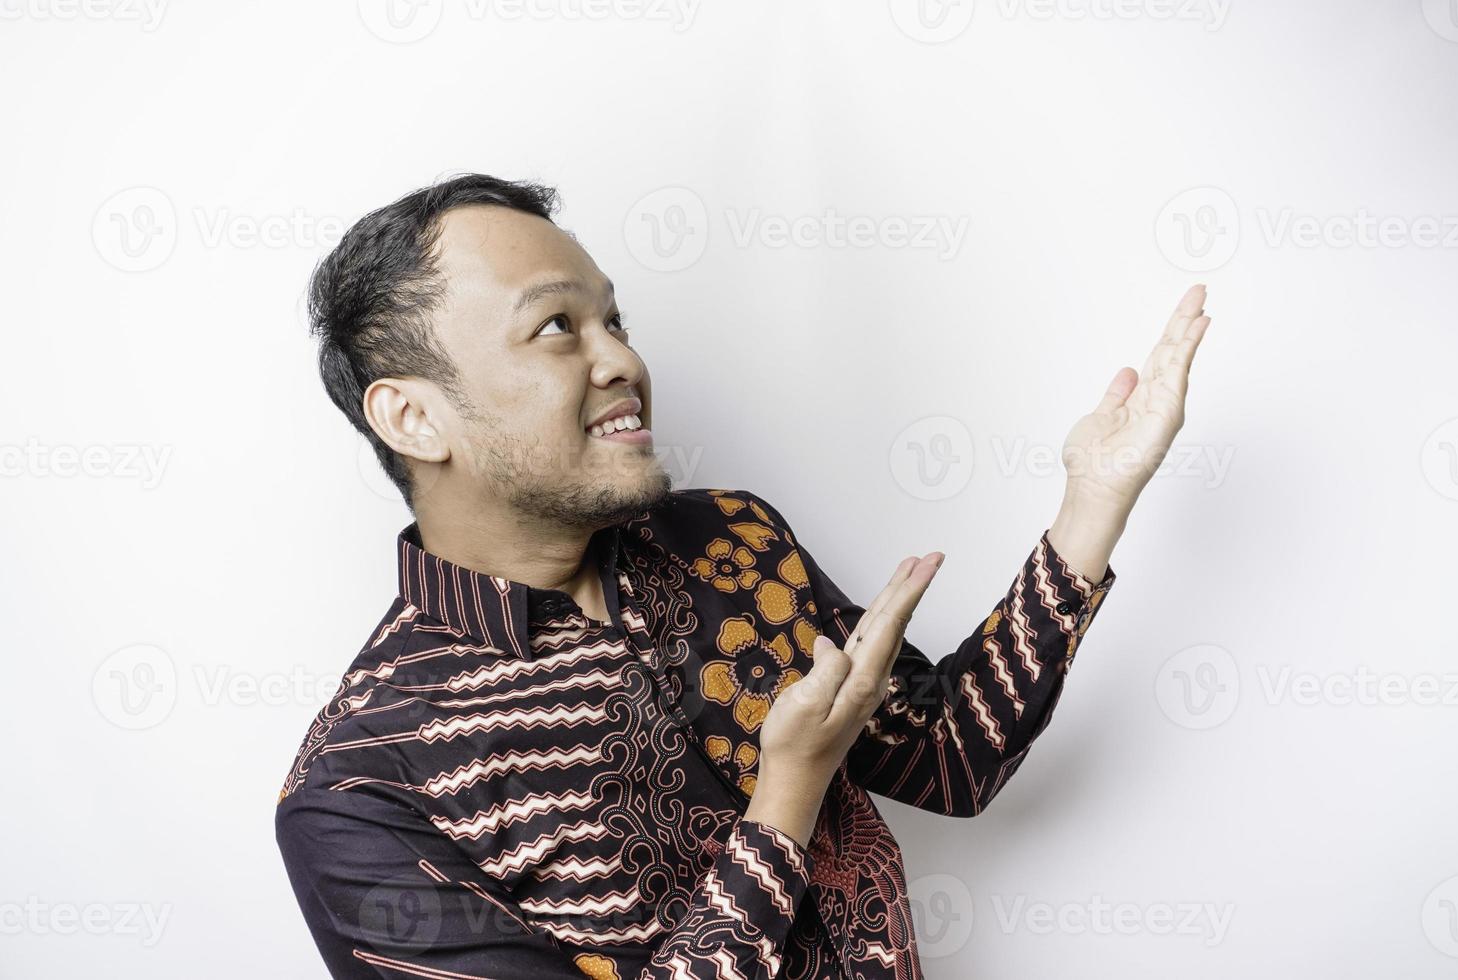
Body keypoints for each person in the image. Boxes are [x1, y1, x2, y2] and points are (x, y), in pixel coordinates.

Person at [274, 173, 1211, 980]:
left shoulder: (727, 539)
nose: (623, 361)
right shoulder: (359, 793)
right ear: (412, 419)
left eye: (615, 319)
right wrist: (787, 796)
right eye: (558, 326)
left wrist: (1094, 502)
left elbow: (953, 755)